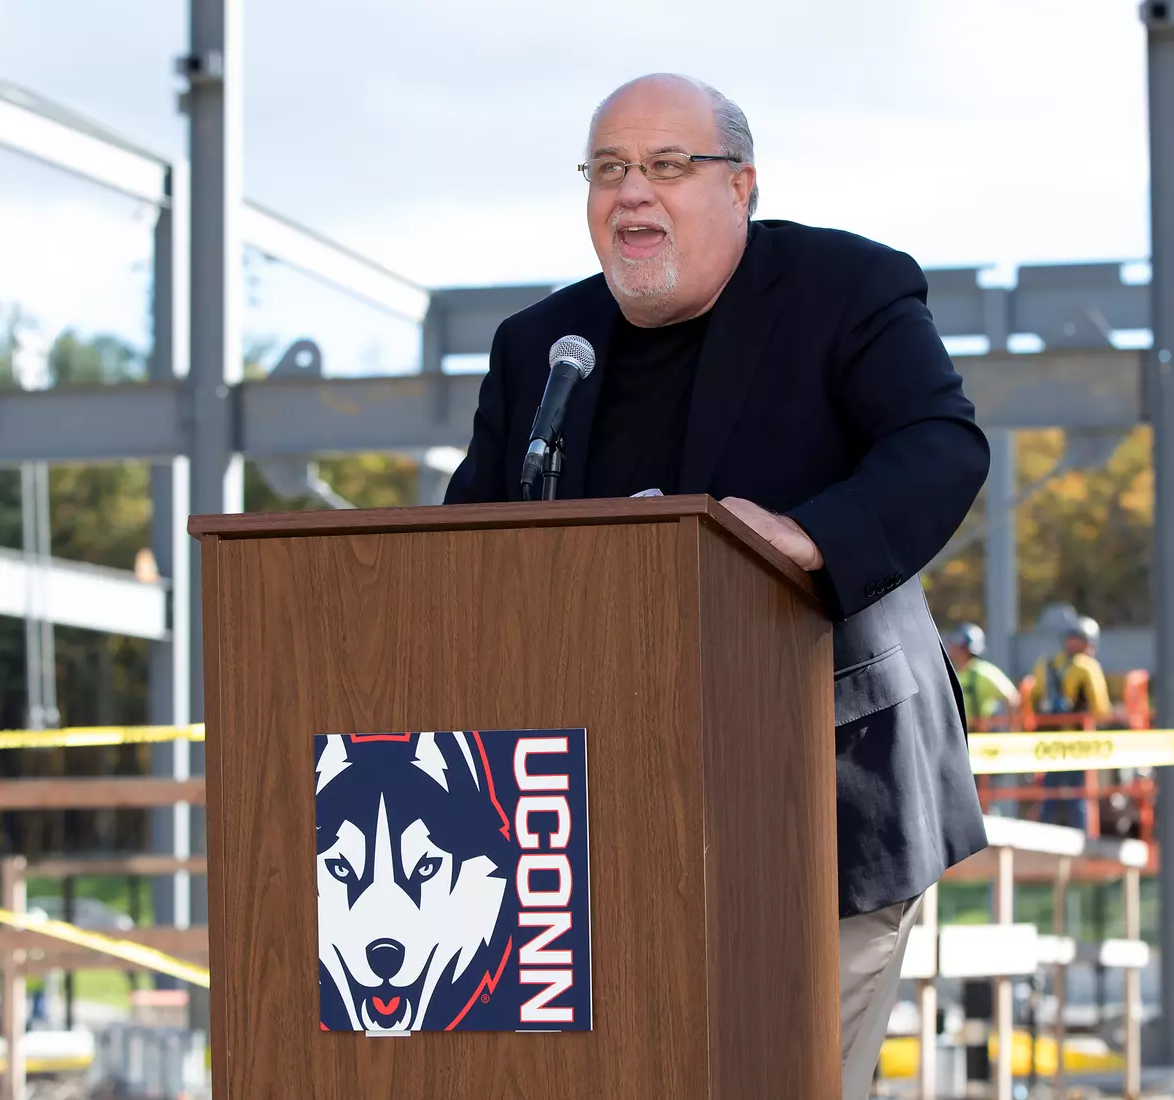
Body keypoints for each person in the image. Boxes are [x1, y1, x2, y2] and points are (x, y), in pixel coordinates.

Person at [443, 73, 990, 1099]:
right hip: (595, 824)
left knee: (772, 1077)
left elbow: (940, 448)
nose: (630, 193)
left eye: (665, 165)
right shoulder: (541, 352)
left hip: (826, 795)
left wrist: (807, 538)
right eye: (607, 169)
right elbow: (463, 554)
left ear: (740, 185)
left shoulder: (846, 288)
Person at [1026, 615, 1112, 831]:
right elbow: (1101, 708)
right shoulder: (1087, 666)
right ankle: (1084, 840)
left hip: (1049, 740)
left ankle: (1043, 839)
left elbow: (1031, 698)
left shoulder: (1044, 663)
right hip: (1077, 742)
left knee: (1049, 793)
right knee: (1079, 794)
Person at [946, 623, 1020, 731]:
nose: (951, 648)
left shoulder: (981, 672)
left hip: (978, 740)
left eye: (956, 645)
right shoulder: (951, 673)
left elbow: (1012, 698)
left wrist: (1012, 732)